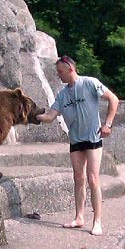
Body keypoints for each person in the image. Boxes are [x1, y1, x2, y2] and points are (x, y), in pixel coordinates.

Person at [36, 55, 119, 236]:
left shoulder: (89, 83)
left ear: (70, 69)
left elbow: (114, 99)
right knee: (78, 178)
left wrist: (108, 124)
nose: (59, 75)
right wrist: (30, 115)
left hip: (93, 138)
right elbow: (50, 117)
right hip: (75, 140)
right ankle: (79, 217)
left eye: (60, 72)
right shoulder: (63, 94)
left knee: (93, 179)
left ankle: (97, 221)